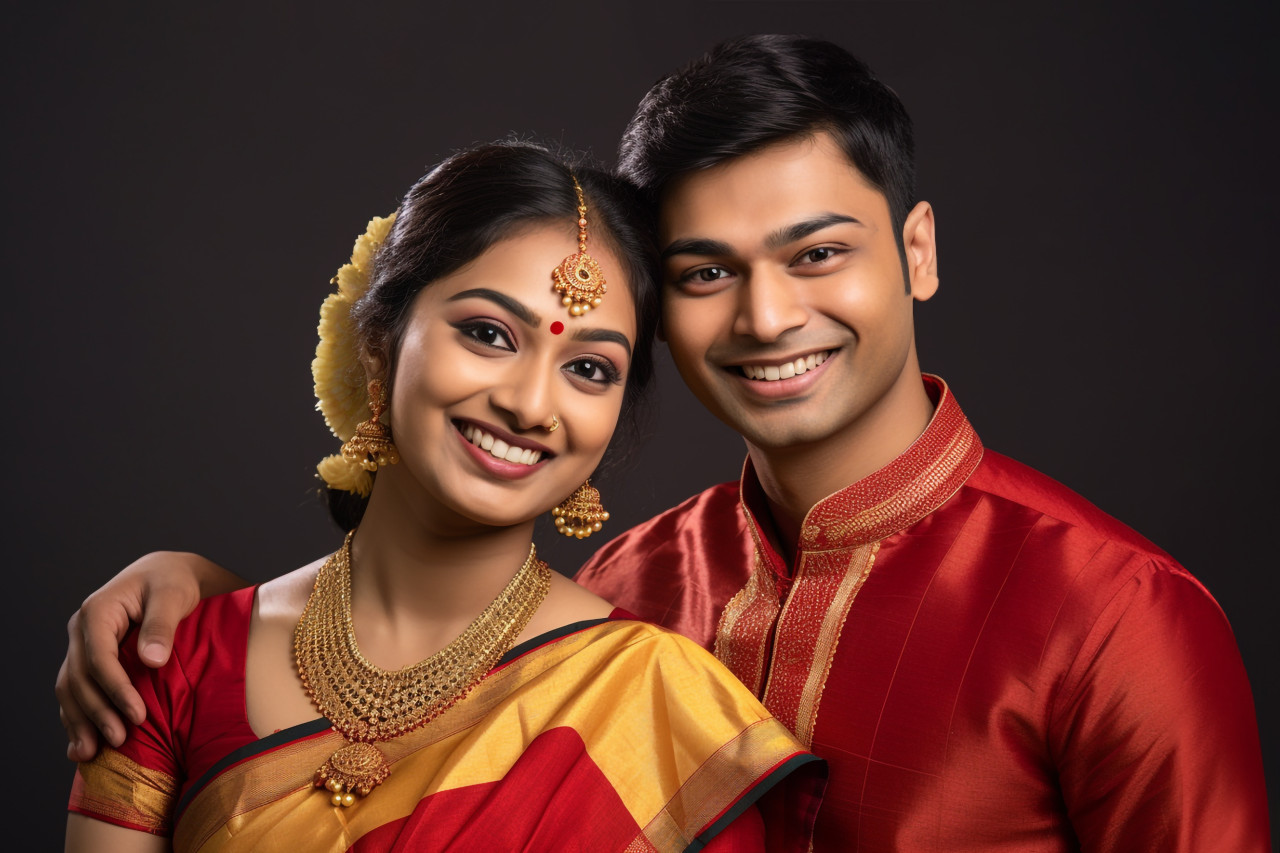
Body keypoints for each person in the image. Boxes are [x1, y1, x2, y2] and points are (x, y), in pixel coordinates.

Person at [58, 36, 1270, 851]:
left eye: (816, 253)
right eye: (705, 273)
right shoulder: (624, 588)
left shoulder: (1117, 618)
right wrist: (200, 607)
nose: (765, 316)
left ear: (916, 253)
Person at [63, 141, 825, 852]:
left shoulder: (653, 705)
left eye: (589, 369)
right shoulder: (177, 657)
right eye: (490, 333)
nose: (531, 404)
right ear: (380, 343)